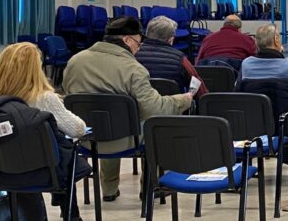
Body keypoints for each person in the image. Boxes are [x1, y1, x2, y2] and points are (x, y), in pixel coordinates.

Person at [63, 17, 193, 201]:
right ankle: (149, 188)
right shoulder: (133, 69)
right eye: (138, 43)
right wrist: (182, 100)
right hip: (125, 140)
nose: (139, 48)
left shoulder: (74, 62)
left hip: (86, 139)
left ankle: (109, 189)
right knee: (150, 125)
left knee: (105, 122)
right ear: (127, 40)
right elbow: (153, 109)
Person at [0, 42, 92, 221]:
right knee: (64, 155)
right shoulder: (44, 98)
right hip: (44, 172)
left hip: (1, 173)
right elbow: (77, 129)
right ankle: (71, 218)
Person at [135, 16, 208, 96]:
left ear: (147, 33)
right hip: (173, 107)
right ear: (171, 39)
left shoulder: (132, 55)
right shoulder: (180, 59)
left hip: (137, 107)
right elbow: (197, 85)